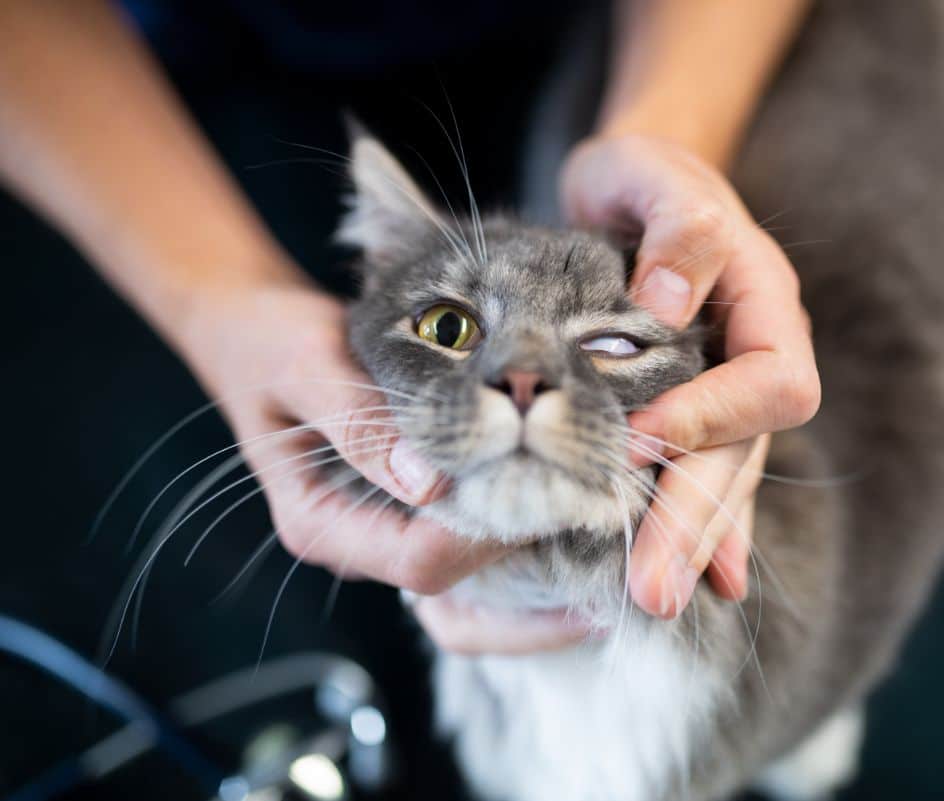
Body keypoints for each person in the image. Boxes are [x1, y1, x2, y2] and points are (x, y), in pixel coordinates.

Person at [0, 0, 819, 655]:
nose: (520, 378)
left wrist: (669, 150)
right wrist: (215, 298)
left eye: (609, 343)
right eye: (450, 326)